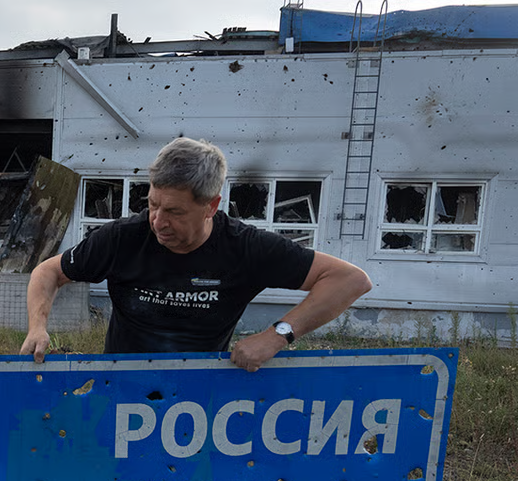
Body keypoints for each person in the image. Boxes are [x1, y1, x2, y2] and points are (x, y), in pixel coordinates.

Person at [19, 137, 372, 371]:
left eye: (174, 212)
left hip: (201, 395)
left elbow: (350, 280)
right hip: (120, 385)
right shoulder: (122, 238)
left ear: (210, 206)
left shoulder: (244, 247)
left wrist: (277, 336)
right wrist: (37, 327)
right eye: (153, 204)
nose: (158, 221)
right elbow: (48, 272)